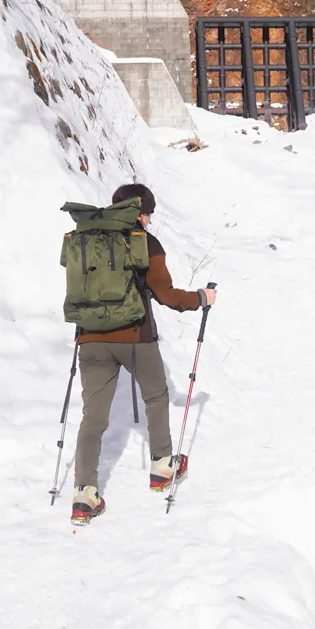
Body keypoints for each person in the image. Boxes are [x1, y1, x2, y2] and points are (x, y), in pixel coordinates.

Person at [69, 183, 217, 525]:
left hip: (90, 337)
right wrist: (200, 299)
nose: (149, 220)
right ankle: (162, 467)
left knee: (93, 417)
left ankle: (83, 495)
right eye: (148, 213)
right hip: (136, 336)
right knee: (155, 395)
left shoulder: (86, 238)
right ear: (141, 213)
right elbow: (165, 295)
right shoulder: (144, 242)